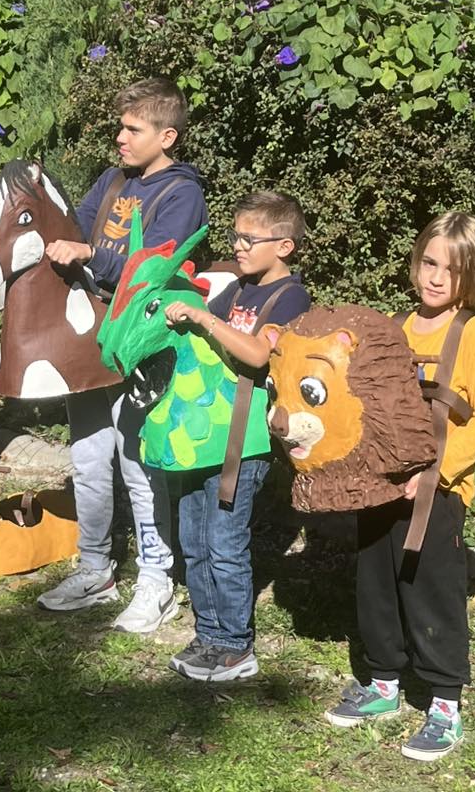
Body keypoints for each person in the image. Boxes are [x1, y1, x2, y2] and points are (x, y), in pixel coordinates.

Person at [37, 77, 208, 633]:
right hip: (91, 338)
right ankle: (95, 570)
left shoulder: (181, 194)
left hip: (140, 342)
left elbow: (153, 265)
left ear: (167, 136)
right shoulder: (113, 180)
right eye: (121, 127)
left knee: (138, 463)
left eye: (133, 129)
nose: (121, 138)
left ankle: (156, 579)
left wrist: (89, 254)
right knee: (88, 457)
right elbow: (74, 225)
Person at [325, 211, 475, 761]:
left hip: (438, 490)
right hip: (381, 481)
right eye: (429, 263)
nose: (437, 278)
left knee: (430, 587)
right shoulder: (394, 327)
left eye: (452, 269)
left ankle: (445, 703)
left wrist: (436, 472)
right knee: (375, 579)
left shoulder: (473, 333)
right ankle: (383, 683)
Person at [164, 190, 310, 680]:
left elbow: (258, 354)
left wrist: (205, 318)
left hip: (243, 441)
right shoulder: (239, 290)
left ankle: (234, 645)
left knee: (224, 541)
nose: (239, 246)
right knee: (193, 538)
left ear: (284, 246)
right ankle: (208, 634)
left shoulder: (289, 297)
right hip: (206, 433)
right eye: (236, 236)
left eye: (250, 238)